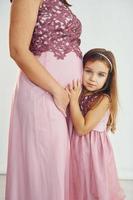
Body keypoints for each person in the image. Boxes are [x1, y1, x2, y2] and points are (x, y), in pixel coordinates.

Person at [5, 0, 83, 199]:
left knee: (58, 168)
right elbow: (17, 50)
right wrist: (57, 91)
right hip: (43, 93)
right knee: (47, 169)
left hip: (65, 99)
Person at [66, 48, 125, 200]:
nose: (93, 78)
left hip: (91, 151)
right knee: (77, 183)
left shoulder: (104, 99)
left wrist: (73, 101)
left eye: (101, 74)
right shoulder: (79, 91)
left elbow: (82, 128)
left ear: (108, 78)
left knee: (92, 185)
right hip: (74, 148)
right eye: (88, 71)